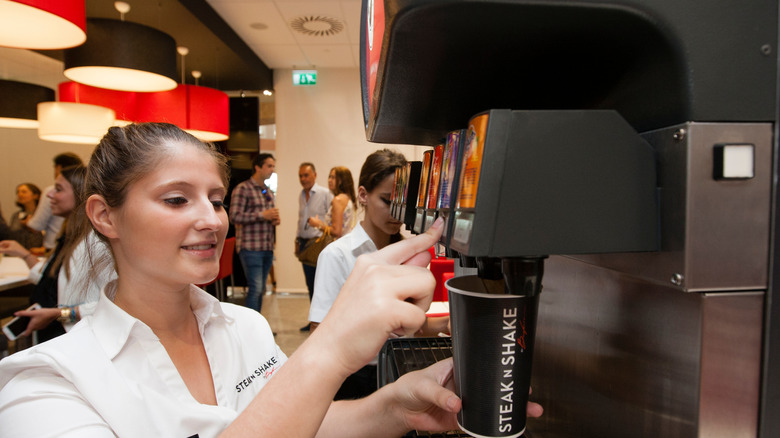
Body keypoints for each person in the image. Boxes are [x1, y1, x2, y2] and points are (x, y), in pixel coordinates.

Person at [0, 123, 542, 437]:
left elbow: (294, 420)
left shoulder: (242, 326)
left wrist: (395, 405)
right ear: (105, 216)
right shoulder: (44, 387)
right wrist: (327, 351)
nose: (212, 220)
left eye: (215, 200)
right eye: (175, 199)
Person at [0, 165, 87, 343]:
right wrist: (24, 254)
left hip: (68, 340)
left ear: (80, 194)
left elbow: (108, 306)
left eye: (58, 189)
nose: (49, 194)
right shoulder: (69, 237)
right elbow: (51, 281)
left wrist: (58, 314)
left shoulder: (93, 244)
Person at [229, 153, 280, 314]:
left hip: (266, 247)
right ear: (258, 167)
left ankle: (257, 326)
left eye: (273, 166)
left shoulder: (268, 191)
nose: (272, 169)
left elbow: (269, 215)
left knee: (261, 290)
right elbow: (234, 216)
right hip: (250, 248)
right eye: (269, 166)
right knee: (256, 288)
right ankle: (250, 331)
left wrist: (273, 220)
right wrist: (262, 215)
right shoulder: (243, 189)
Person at [295, 162, 332, 331]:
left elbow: (333, 220)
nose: (303, 179)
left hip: (319, 245)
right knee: (310, 285)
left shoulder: (325, 194)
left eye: (306, 175)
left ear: (315, 175)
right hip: (305, 244)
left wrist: (320, 225)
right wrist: (297, 240)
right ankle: (314, 321)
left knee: (321, 286)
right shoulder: (301, 195)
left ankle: (323, 322)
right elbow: (300, 218)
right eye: (301, 176)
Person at [26, 152, 83, 252]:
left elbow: (36, 226)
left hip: (54, 248)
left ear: (59, 167)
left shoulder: (50, 191)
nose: (50, 195)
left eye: (59, 189)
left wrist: (27, 222)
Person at [307, 166, 358, 238]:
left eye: (333, 177)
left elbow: (336, 232)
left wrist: (318, 225)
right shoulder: (348, 198)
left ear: (341, 180)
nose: (329, 180)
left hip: (339, 245)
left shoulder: (338, 200)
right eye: (329, 177)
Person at [7, 183, 44, 251]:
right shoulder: (16, 216)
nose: (20, 194)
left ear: (35, 196)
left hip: (37, 253)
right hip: (16, 254)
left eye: (24, 192)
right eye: (18, 192)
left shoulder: (43, 214)